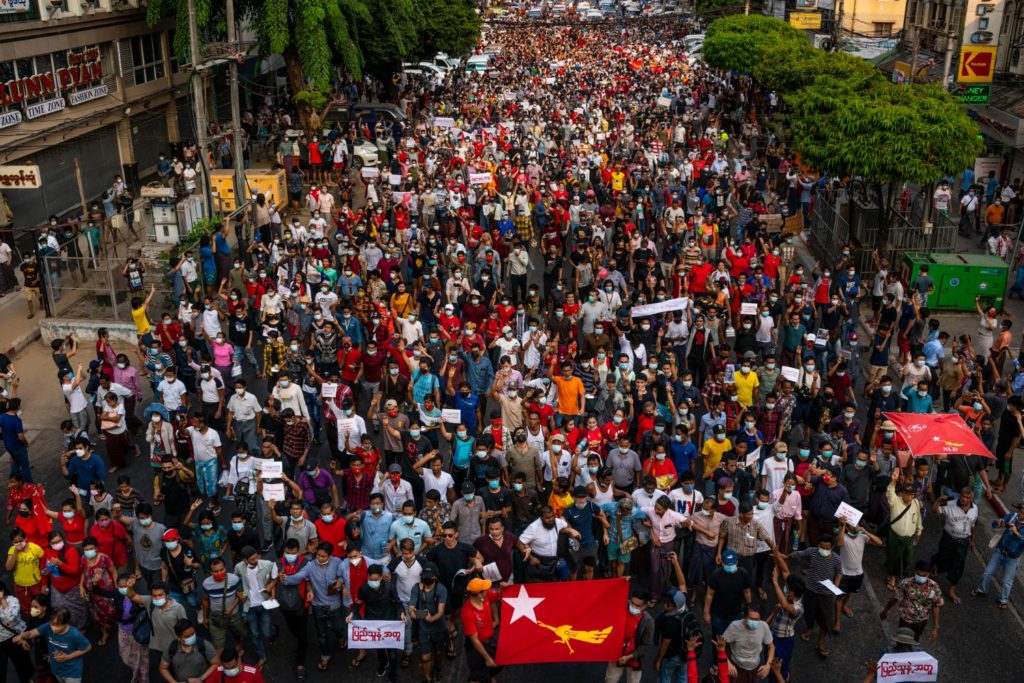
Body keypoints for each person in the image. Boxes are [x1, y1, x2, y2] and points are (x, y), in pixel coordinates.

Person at [12, 608, 91, 683]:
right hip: (57, 669)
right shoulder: (48, 626)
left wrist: (67, 657)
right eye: (52, 624)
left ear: (66, 623)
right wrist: (24, 635)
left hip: (72, 672)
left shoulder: (75, 634)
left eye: (58, 625)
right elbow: (32, 633)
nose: (54, 628)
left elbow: (87, 647)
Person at [973, 503, 1024, 608]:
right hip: (1000, 551)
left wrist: (1016, 533)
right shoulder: (1013, 516)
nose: (1020, 513)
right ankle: (982, 589)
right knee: (987, 572)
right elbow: (994, 525)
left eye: (1023, 512)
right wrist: (998, 522)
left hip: (1012, 558)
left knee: (1006, 581)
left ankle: (1003, 600)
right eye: (1020, 511)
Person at [879, 560, 943, 642]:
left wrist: (935, 627)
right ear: (915, 571)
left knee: (915, 639)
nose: (921, 577)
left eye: (924, 575)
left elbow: (936, 606)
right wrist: (885, 610)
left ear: (928, 573)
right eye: (918, 574)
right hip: (906, 619)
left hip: (921, 621)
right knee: (902, 640)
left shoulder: (934, 587)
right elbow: (895, 598)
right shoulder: (906, 583)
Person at [460, 577, 502, 683]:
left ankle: (488, 677)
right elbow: (474, 640)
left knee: (499, 662)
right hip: (476, 647)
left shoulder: (486, 596)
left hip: (490, 640)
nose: (488, 590)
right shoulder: (467, 613)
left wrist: (502, 588)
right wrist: (487, 658)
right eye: (485, 589)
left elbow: (499, 597)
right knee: (477, 675)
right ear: (479, 594)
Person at [0, 580, 33, 683]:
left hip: (15, 639)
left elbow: (11, 618)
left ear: (2, 591)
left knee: (23, 668)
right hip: (0, 641)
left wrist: (2, 601)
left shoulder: (12, 601)